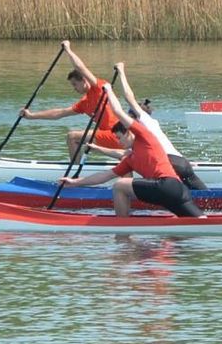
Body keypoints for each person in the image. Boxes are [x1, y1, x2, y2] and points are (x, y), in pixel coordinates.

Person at [59, 82, 205, 218]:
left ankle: (122, 226)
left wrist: (109, 90)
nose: (118, 141)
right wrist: (75, 182)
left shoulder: (144, 136)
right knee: (201, 222)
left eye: (119, 137)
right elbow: (105, 176)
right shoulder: (129, 159)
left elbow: (117, 111)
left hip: (168, 185)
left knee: (119, 186)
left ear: (129, 133)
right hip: (178, 191)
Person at [85, 62, 208, 190]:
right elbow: (124, 154)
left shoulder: (145, 122)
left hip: (171, 164)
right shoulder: (140, 137)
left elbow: (129, 98)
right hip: (182, 163)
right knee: (205, 196)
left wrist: (120, 73)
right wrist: (97, 148)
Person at [18, 40, 122, 157]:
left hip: (118, 134)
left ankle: (76, 171)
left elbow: (80, 67)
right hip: (110, 136)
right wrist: (31, 116)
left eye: (74, 84)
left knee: (72, 136)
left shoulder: (99, 87)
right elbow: (59, 113)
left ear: (84, 80)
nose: (74, 88)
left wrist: (68, 49)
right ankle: (79, 166)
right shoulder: (84, 102)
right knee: (77, 138)